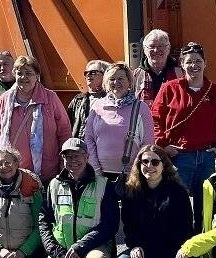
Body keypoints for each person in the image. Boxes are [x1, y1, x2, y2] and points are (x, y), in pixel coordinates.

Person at [113, 145, 206, 258]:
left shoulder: (177, 192)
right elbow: (129, 226)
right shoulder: (132, 191)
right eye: (145, 162)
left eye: (155, 162)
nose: (149, 166)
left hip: (174, 255)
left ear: (164, 165)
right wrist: (134, 245)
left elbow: (185, 232)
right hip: (146, 251)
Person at [152, 42, 216, 220]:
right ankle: (175, 244)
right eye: (189, 61)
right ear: (182, 64)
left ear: (205, 63)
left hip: (208, 157)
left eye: (198, 61)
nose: (194, 65)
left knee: (207, 210)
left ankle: (203, 244)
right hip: (179, 157)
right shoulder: (170, 89)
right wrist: (163, 146)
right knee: (174, 207)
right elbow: (155, 119)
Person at [39, 138, 115, 258]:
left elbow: (110, 224)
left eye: (78, 155)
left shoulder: (103, 184)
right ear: (63, 159)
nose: (73, 160)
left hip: (93, 247)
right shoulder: (54, 185)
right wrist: (54, 250)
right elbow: (44, 220)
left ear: (87, 157)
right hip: (63, 249)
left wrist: (81, 246)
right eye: (68, 156)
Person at [0, 54, 71, 180]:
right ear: (15, 75)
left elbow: (64, 131)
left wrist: (64, 163)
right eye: (19, 73)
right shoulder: (4, 100)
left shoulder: (50, 98)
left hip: (46, 171)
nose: (23, 77)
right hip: (11, 172)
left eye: (28, 73)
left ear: (37, 76)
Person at [83, 63, 156, 198]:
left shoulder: (141, 108)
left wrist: (137, 171)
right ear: (106, 83)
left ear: (129, 82)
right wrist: (96, 169)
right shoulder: (97, 107)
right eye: (112, 79)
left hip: (131, 176)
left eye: (121, 79)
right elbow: (89, 139)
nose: (116, 82)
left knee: (130, 217)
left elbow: (148, 144)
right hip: (101, 175)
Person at [133, 29, 182, 106]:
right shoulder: (135, 75)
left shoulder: (180, 73)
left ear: (168, 48)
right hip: (145, 117)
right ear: (145, 49)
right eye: (152, 46)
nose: (156, 50)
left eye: (161, 46)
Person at [67, 60, 109, 139]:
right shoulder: (78, 99)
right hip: (79, 146)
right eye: (86, 73)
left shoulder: (111, 100)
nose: (88, 75)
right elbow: (67, 124)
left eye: (93, 72)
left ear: (105, 75)